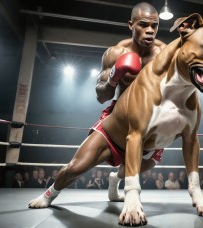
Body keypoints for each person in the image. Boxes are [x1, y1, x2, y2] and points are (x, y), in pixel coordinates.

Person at [29, 2, 166, 208]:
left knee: (146, 164)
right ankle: (50, 194)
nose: (150, 31)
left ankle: (115, 180)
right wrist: (113, 76)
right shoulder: (115, 53)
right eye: (143, 25)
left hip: (150, 121)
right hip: (118, 118)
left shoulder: (163, 53)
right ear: (131, 25)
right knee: (77, 166)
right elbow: (101, 96)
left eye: (154, 26)